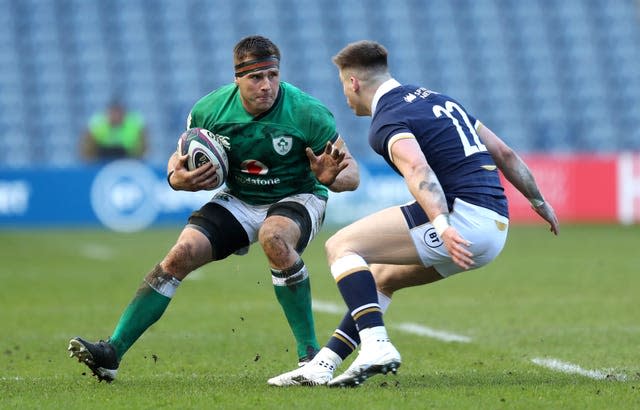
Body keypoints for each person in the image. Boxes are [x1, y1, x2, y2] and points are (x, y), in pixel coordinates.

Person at [68, 35, 360, 382]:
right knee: (180, 253)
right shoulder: (209, 111)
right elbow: (177, 163)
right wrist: (178, 179)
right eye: (255, 77)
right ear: (237, 77)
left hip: (298, 195)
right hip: (238, 198)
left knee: (274, 238)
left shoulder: (308, 112)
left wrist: (332, 177)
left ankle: (310, 357)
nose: (266, 86)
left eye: (272, 75)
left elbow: (351, 173)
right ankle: (112, 352)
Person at [268, 40, 559, 387]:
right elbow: (505, 153)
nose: (345, 96)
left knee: (341, 246)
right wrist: (539, 201)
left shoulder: (388, 119)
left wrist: (442, 224)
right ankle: (322, 365)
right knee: (381, 278)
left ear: (353, 83)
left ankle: (376, 345)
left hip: (460, 218)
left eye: (343, 85)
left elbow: (418, 169)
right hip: (495, 228)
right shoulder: (441, 100)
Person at [80, 99, 148, 161]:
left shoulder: (133, 125)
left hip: (127, 159)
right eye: (113, 113)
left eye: (118, 112)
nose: (116, 116)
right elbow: (87, 148)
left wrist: (137, 158)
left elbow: (143, 147)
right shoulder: (98, 125)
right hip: (101, 159)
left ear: (124, 113)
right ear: (108, 113)